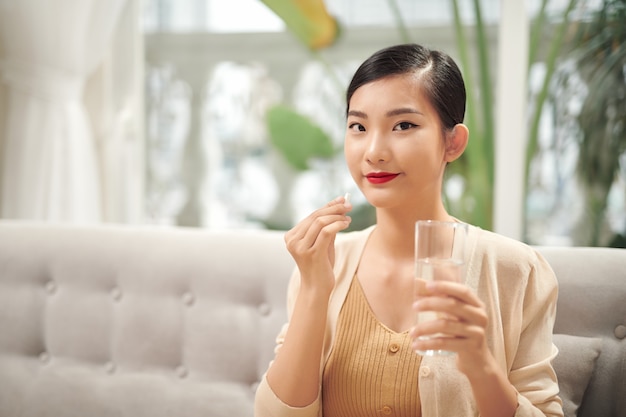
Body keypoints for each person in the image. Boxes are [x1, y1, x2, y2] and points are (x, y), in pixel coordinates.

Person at [254, 43, 563, 417]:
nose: (374, 151)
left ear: (453, 142)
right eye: (358, 126)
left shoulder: (516, 270)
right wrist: (315, 290)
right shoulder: (325, 263)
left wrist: (480, 365)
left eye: (404, 125)